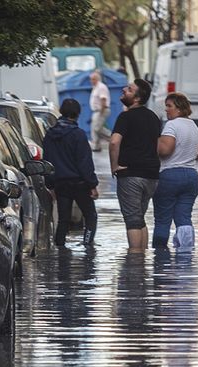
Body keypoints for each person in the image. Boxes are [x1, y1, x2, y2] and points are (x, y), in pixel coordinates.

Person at [110, 77, 162, 251]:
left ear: (137, 98)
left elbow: (114, 142)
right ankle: (143, 261)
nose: (125, 90)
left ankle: (134, 262)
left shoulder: (125, 117)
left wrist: (114, 166)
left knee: (132, 220)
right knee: (140, 218)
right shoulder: (154, 117)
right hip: (152, 176)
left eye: (130, 89)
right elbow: (157, 145)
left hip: (131, 174)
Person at [42, 97, 99, 246]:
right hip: (80, 183)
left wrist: (50, 185)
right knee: (90, 216)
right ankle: (88, 245)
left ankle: (60, 246)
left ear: (61, 112)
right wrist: (92, 184)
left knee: (63, 219)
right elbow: (85, 162)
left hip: (61, 184)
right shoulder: (78, 135)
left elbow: (46, 161)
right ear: (77, 114)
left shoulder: (49, 135)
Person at [152, 92, 198, 251]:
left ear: (179, 109)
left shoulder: (172, 125)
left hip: (170, 175)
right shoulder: (194, 126)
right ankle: (186, 258)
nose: (166, 110)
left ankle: (160, 259)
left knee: (162, 220)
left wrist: (155, 141)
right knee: (184, 218)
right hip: (192, 176)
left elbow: (165, 150)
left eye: (169, 106)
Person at [89, 71, 111, 150]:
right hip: (96, 111)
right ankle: (96, 146)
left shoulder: (101, 87)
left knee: (97, 128)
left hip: (101, 110)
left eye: (93, 79)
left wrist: (101, 112)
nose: (91, 81)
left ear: (98, 79)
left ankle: (111, 137)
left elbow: (103, 100)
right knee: (94, 129)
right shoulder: (95, 87)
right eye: (91, 79)